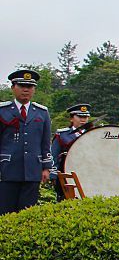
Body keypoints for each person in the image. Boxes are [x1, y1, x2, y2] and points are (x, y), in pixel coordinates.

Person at [0, 69, 52, 213]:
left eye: (29, 87)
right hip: (7, 170)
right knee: (5, 213)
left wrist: (46, 167)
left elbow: (45, 143)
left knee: (28, 213)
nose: (25, 90)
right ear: (13, 87)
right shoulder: (3, 111)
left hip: (32, 171)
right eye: (21, 85)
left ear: (34, 89)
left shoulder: (41, 112)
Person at [50, 103, 92, 201]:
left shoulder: (93, 134)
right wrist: (53, 175)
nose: (83, 119)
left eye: (86, 117)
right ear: (71, 118)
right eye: (80, 116)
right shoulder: (62, 135)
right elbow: (54, 156)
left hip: (88, 175)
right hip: (66, 175)